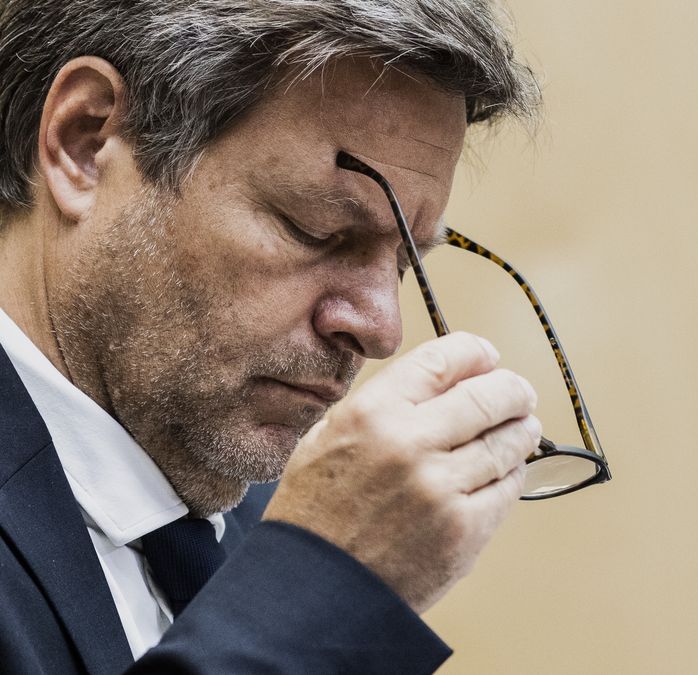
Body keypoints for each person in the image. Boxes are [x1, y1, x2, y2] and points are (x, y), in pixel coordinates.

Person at [0, 1, 545, 672]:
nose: (382, 328)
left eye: (403, 265)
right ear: (85, 142)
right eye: (314, 230)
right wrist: (317, 592)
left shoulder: (275, 518)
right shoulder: (310, 558)